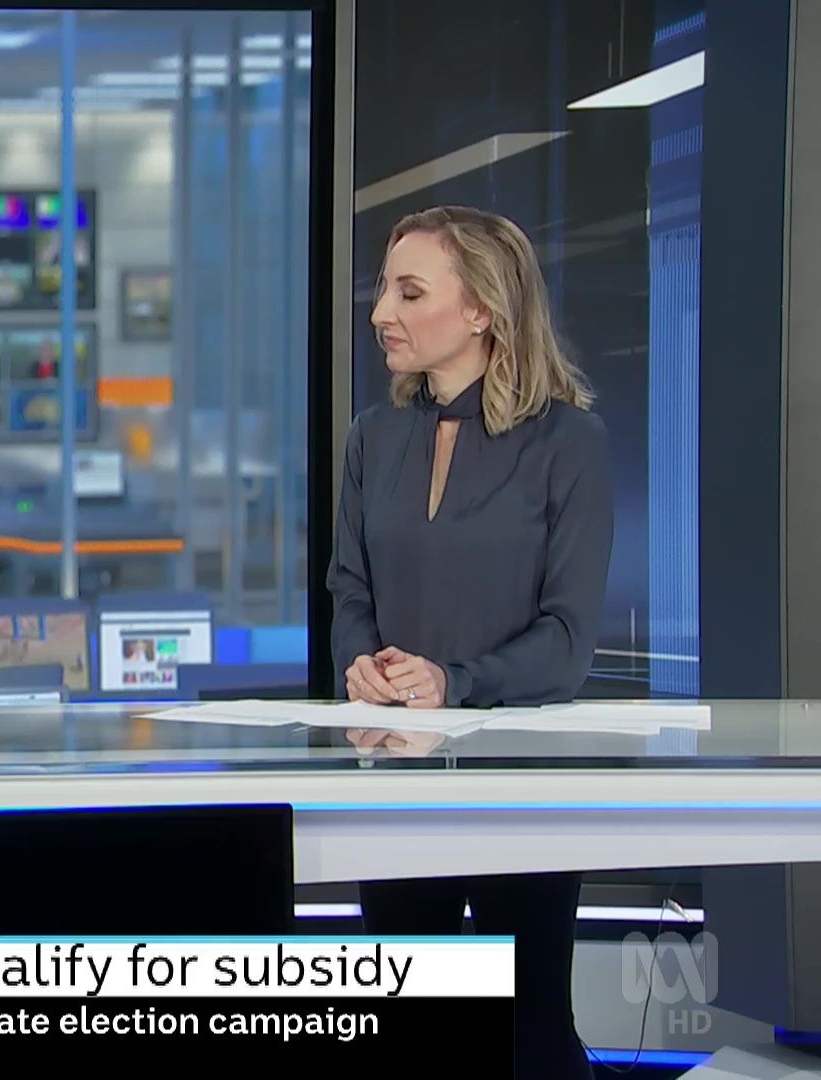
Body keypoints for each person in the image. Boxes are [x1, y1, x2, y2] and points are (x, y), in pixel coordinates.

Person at [327, 205, 613, 1079]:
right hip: (394, 776)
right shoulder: (374, 437)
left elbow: (567, 641)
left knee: (529, 1025)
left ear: (483, 308)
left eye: (410, 293)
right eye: (385, 289)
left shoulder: (569, 443)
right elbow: (350, 590)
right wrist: (363, 668)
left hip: (523, 781)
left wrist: (453, 682)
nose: (382, 312)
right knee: (411, 1020)